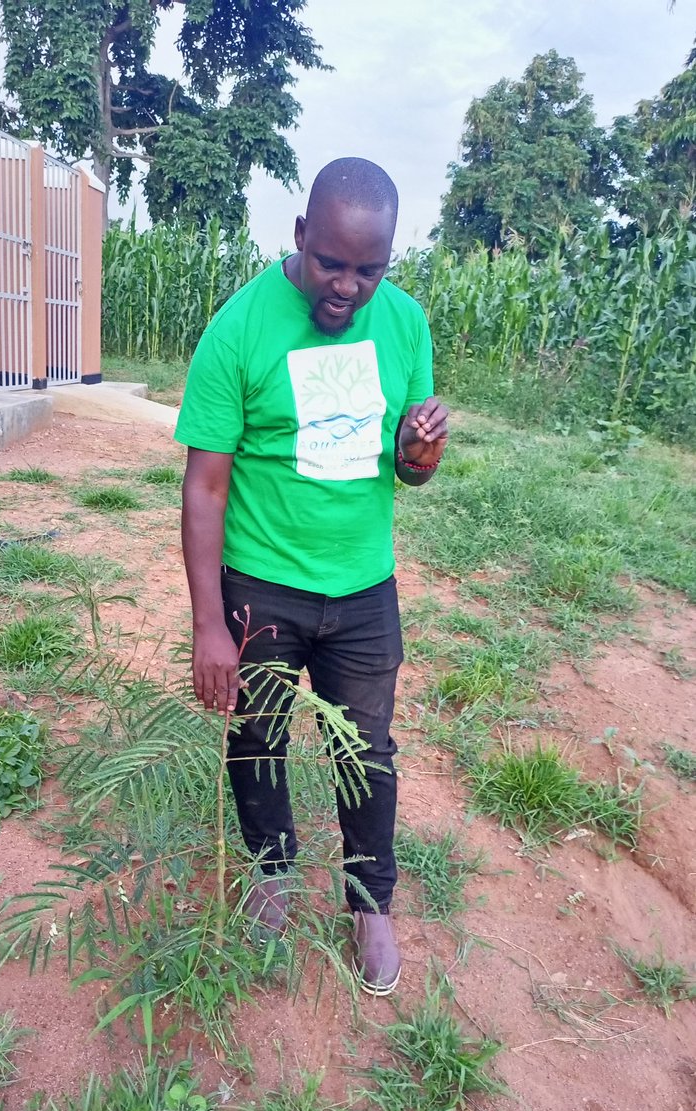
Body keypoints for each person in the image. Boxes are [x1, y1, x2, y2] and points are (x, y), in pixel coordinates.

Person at [175, 157, 449, 996]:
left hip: (364, 588)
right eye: (333, 263)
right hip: (262, 583)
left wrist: (421, 454)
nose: (348, 286)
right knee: (257, 739)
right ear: (300, 237)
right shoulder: (241, 327)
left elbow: (410, 469)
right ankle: (271, 873)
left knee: (367, 750)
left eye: (369, 269)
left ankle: (370, 902)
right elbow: (206, 482)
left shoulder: (404, 325)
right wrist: (209, 623)